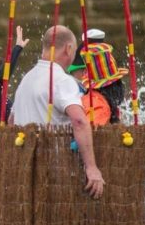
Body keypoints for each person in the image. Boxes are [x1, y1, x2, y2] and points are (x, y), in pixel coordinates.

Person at [10, 25, 105, 198]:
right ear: (69, 49)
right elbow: (79, 121)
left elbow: (11, 121)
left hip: (24, 173)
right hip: (54, 174)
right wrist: (91, 168)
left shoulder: (26, 80)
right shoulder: (62, 80)